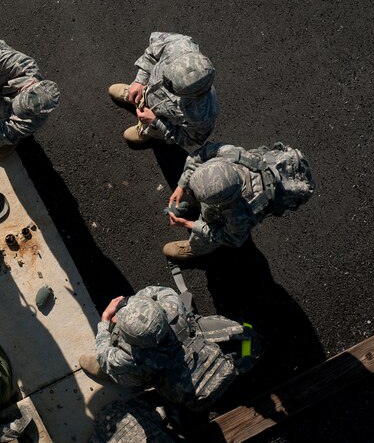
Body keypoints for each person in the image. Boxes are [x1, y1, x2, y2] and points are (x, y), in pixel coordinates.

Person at [78, 286, 255, 410]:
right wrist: (139, 301)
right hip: (193, 351)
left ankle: (126, 382)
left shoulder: (128, 356)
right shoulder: (173, 309)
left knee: (120, 373)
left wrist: (105, 320)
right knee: (235, 329)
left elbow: (104, 357)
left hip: (160, 374)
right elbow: (159, 291)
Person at [163, 142, 315, 260]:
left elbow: (232, 238)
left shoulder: (239, 214)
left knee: (210, 231)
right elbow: (200, 155)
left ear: (221, 202)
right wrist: (182, 185)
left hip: (232, 212)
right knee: (192, 193)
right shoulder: (228, 154)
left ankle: (198, 247)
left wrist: (189, 224)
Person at [108, 32, 219, 150]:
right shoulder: (180, 45)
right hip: (147, 89)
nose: (164, 84)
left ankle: (149, 129)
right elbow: (153, 49)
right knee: (121, 89)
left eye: (170, 86)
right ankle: (139, 96)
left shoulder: (203, 115)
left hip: (161, 118)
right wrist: (140, 80)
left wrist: (155, 122)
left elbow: (190, 138)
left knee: (141, 130)